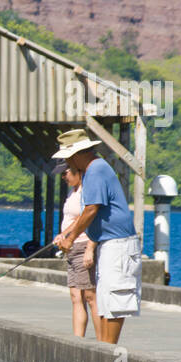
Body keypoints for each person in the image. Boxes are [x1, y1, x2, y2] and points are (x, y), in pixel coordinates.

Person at [52, 129, 141, 344]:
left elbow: (91, 209)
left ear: (76, 154)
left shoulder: (96, 170)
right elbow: (87, 213)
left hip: (118, 243)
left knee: (114, 300)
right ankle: (104, 350)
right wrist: (67, 235)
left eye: (67, 158)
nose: (67, 163)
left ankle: (108, 352)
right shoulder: (93, 170)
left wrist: (70, 239)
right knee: (103, 299)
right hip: (107, 243)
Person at [56, 160, 101, 338]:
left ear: (77, 171)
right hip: (71, 248)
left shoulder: (86, 191)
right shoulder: (72, 192)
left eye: (65, 173)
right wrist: (63, 235)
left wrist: (90, 247)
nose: (63, 177)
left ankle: (102, 341)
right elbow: (72, 220)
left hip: (83, 244)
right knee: (75, 296)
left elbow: (88, 218)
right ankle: (78, 339)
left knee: (90, 296)